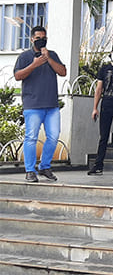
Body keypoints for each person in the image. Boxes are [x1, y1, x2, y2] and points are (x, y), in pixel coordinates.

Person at [14, 26, 67, 182]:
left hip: (51, 105)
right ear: (32, 39)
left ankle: (44, 167)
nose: (41, 40)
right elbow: (18, 76)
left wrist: (48, 58)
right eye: (38, 38)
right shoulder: (24, 56)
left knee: (53, 136)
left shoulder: (52, 54)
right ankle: (30, 170)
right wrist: (34, 64)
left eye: (44, 37)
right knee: (31, 137)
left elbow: (63, 72)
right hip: (33, 105)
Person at [88, 43, 113, 175]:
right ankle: (98, 165)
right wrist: (95, 107)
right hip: (106, 104)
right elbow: (99, 89)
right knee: (103, 137)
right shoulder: (104, 69)